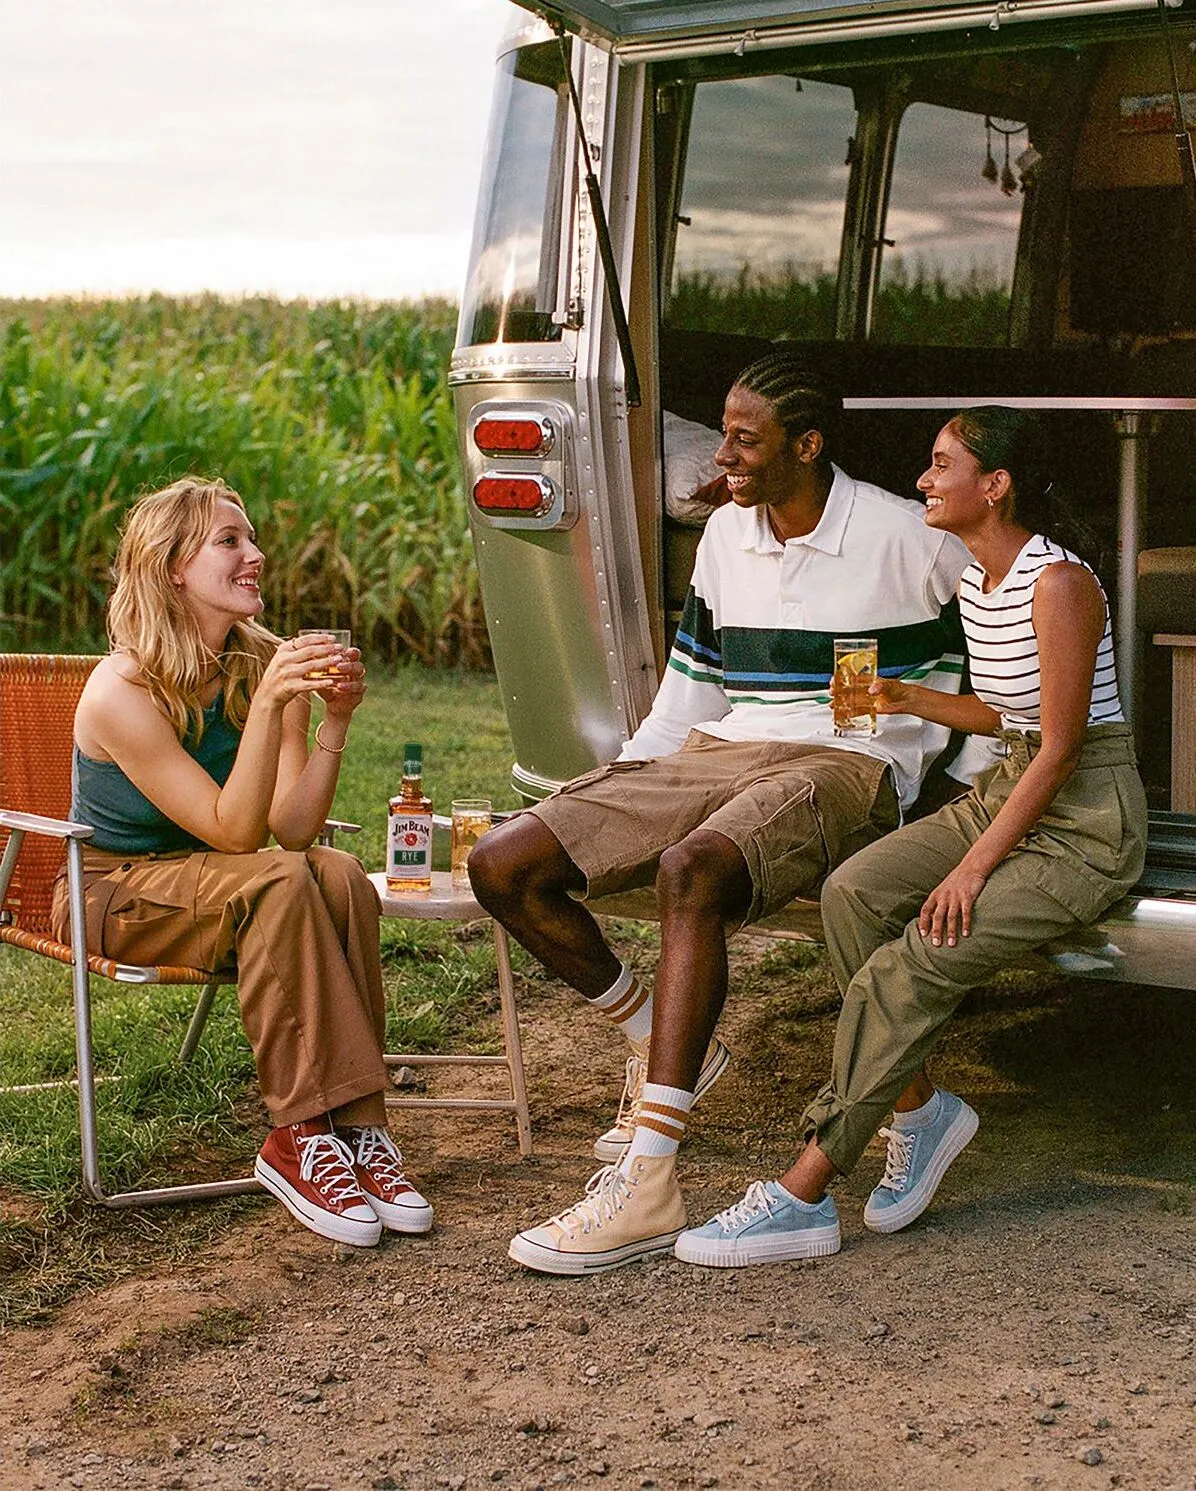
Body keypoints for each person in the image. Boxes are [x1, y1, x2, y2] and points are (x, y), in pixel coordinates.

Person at [469, 354, 991, 1275]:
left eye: (746, 440)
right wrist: (612, 794)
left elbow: (999, 666)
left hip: (849, 759)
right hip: (725, 747)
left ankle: (650, 1175)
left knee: (693, 871)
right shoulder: (724, 537)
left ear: (809, 445)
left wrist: (961, 795)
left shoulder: (912, 538)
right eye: (724, 434)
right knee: (507, 861)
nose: (725, 458)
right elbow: (691, 695)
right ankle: (656, 1036)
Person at [672, 405, 1148, 1268]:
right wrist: (909, 698)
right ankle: (921, 1111)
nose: (923, 480)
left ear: (994, 485)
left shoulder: (1059, 583)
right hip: (1013, 782)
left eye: (940, 464)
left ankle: (805, 1189)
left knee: (915, 957)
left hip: (1083, 819)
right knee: (853, 893)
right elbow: (1008, 714)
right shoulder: (977, 580)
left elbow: (1065, 745)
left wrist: (969, 867)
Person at [50, 477, 433, 1249]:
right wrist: (266, 706)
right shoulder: (121, 689)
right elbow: (234, 833)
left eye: (251, 538)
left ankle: (358, 1133)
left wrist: (335, 721)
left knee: (335, 872)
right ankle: (297, 1132)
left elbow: (291, 829)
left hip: (222, 882)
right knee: (285, 879)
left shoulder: (261, 661)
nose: (255, 554)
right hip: (114, 890)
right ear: (170, 568)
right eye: (229, 541)